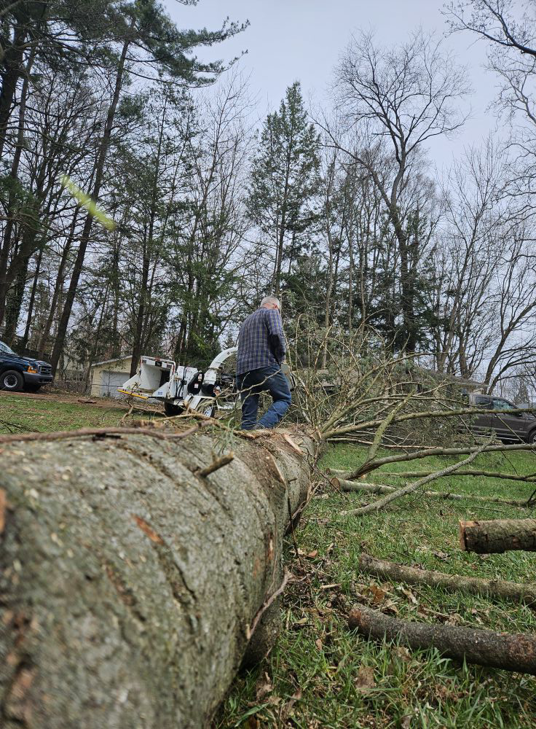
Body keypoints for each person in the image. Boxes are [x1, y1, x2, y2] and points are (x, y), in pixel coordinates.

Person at [236, 296, 292, 430]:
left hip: (243, 371)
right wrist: (281, 360)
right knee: (284, 398)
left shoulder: (247, 321)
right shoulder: (271, 312)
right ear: (275, 306)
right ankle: (261, 428)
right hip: (265, 364)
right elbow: (277, 334)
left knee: (248, 415)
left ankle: (247, 437)